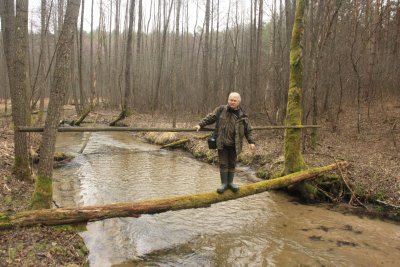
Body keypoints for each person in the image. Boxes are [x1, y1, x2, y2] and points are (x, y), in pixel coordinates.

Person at [195, 92, 256, 194]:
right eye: (230, 100)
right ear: (228, 100)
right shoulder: (221, 109)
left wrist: (251, 141)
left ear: (238, 102)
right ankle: (224, 184)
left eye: (234, 100)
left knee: (232, 164)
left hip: (235, 144)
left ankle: (230, 183)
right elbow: (211, 117)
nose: (232, 102)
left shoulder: (243, 115)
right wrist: (200, 124)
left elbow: (248, 130)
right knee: (223, 164)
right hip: (222, 143)